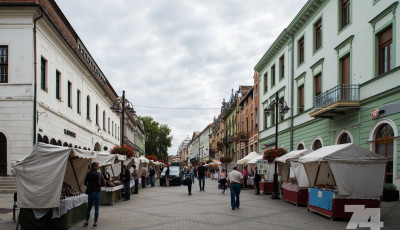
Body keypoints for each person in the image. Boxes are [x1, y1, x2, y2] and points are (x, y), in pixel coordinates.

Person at [84, 162, 101, 228]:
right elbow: (99, 183)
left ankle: (86, 222)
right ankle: (94, 223)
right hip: (96, 192)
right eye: (98, 166)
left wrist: (90, 186)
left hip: (90, 192)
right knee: (96, 208)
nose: (99, 166)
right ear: (94, 166)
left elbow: (85, 183)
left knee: (89, 208)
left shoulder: (88, 174)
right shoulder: (98, 174)